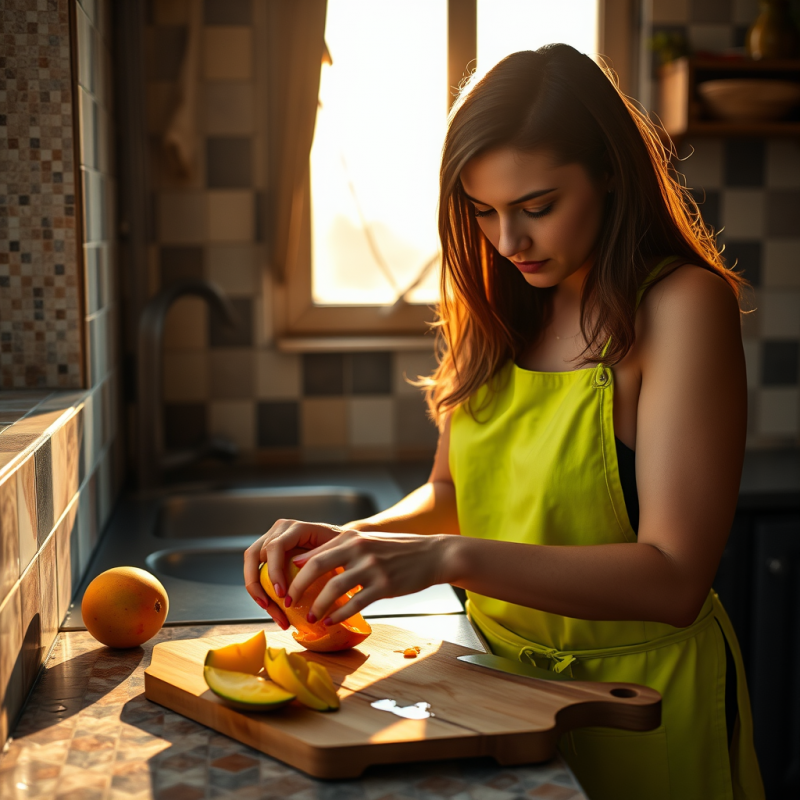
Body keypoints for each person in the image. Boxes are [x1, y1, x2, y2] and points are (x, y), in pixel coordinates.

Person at [244, 45, 764, 800]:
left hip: (646, 708)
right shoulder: (493, 302)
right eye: (482, 211)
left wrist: (447, 560)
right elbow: (452, 495)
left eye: (537, 207)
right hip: (493, 691)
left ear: (611, 172)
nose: (507, 242)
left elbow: (675, 579)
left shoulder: (683, 306)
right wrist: (353, 543)